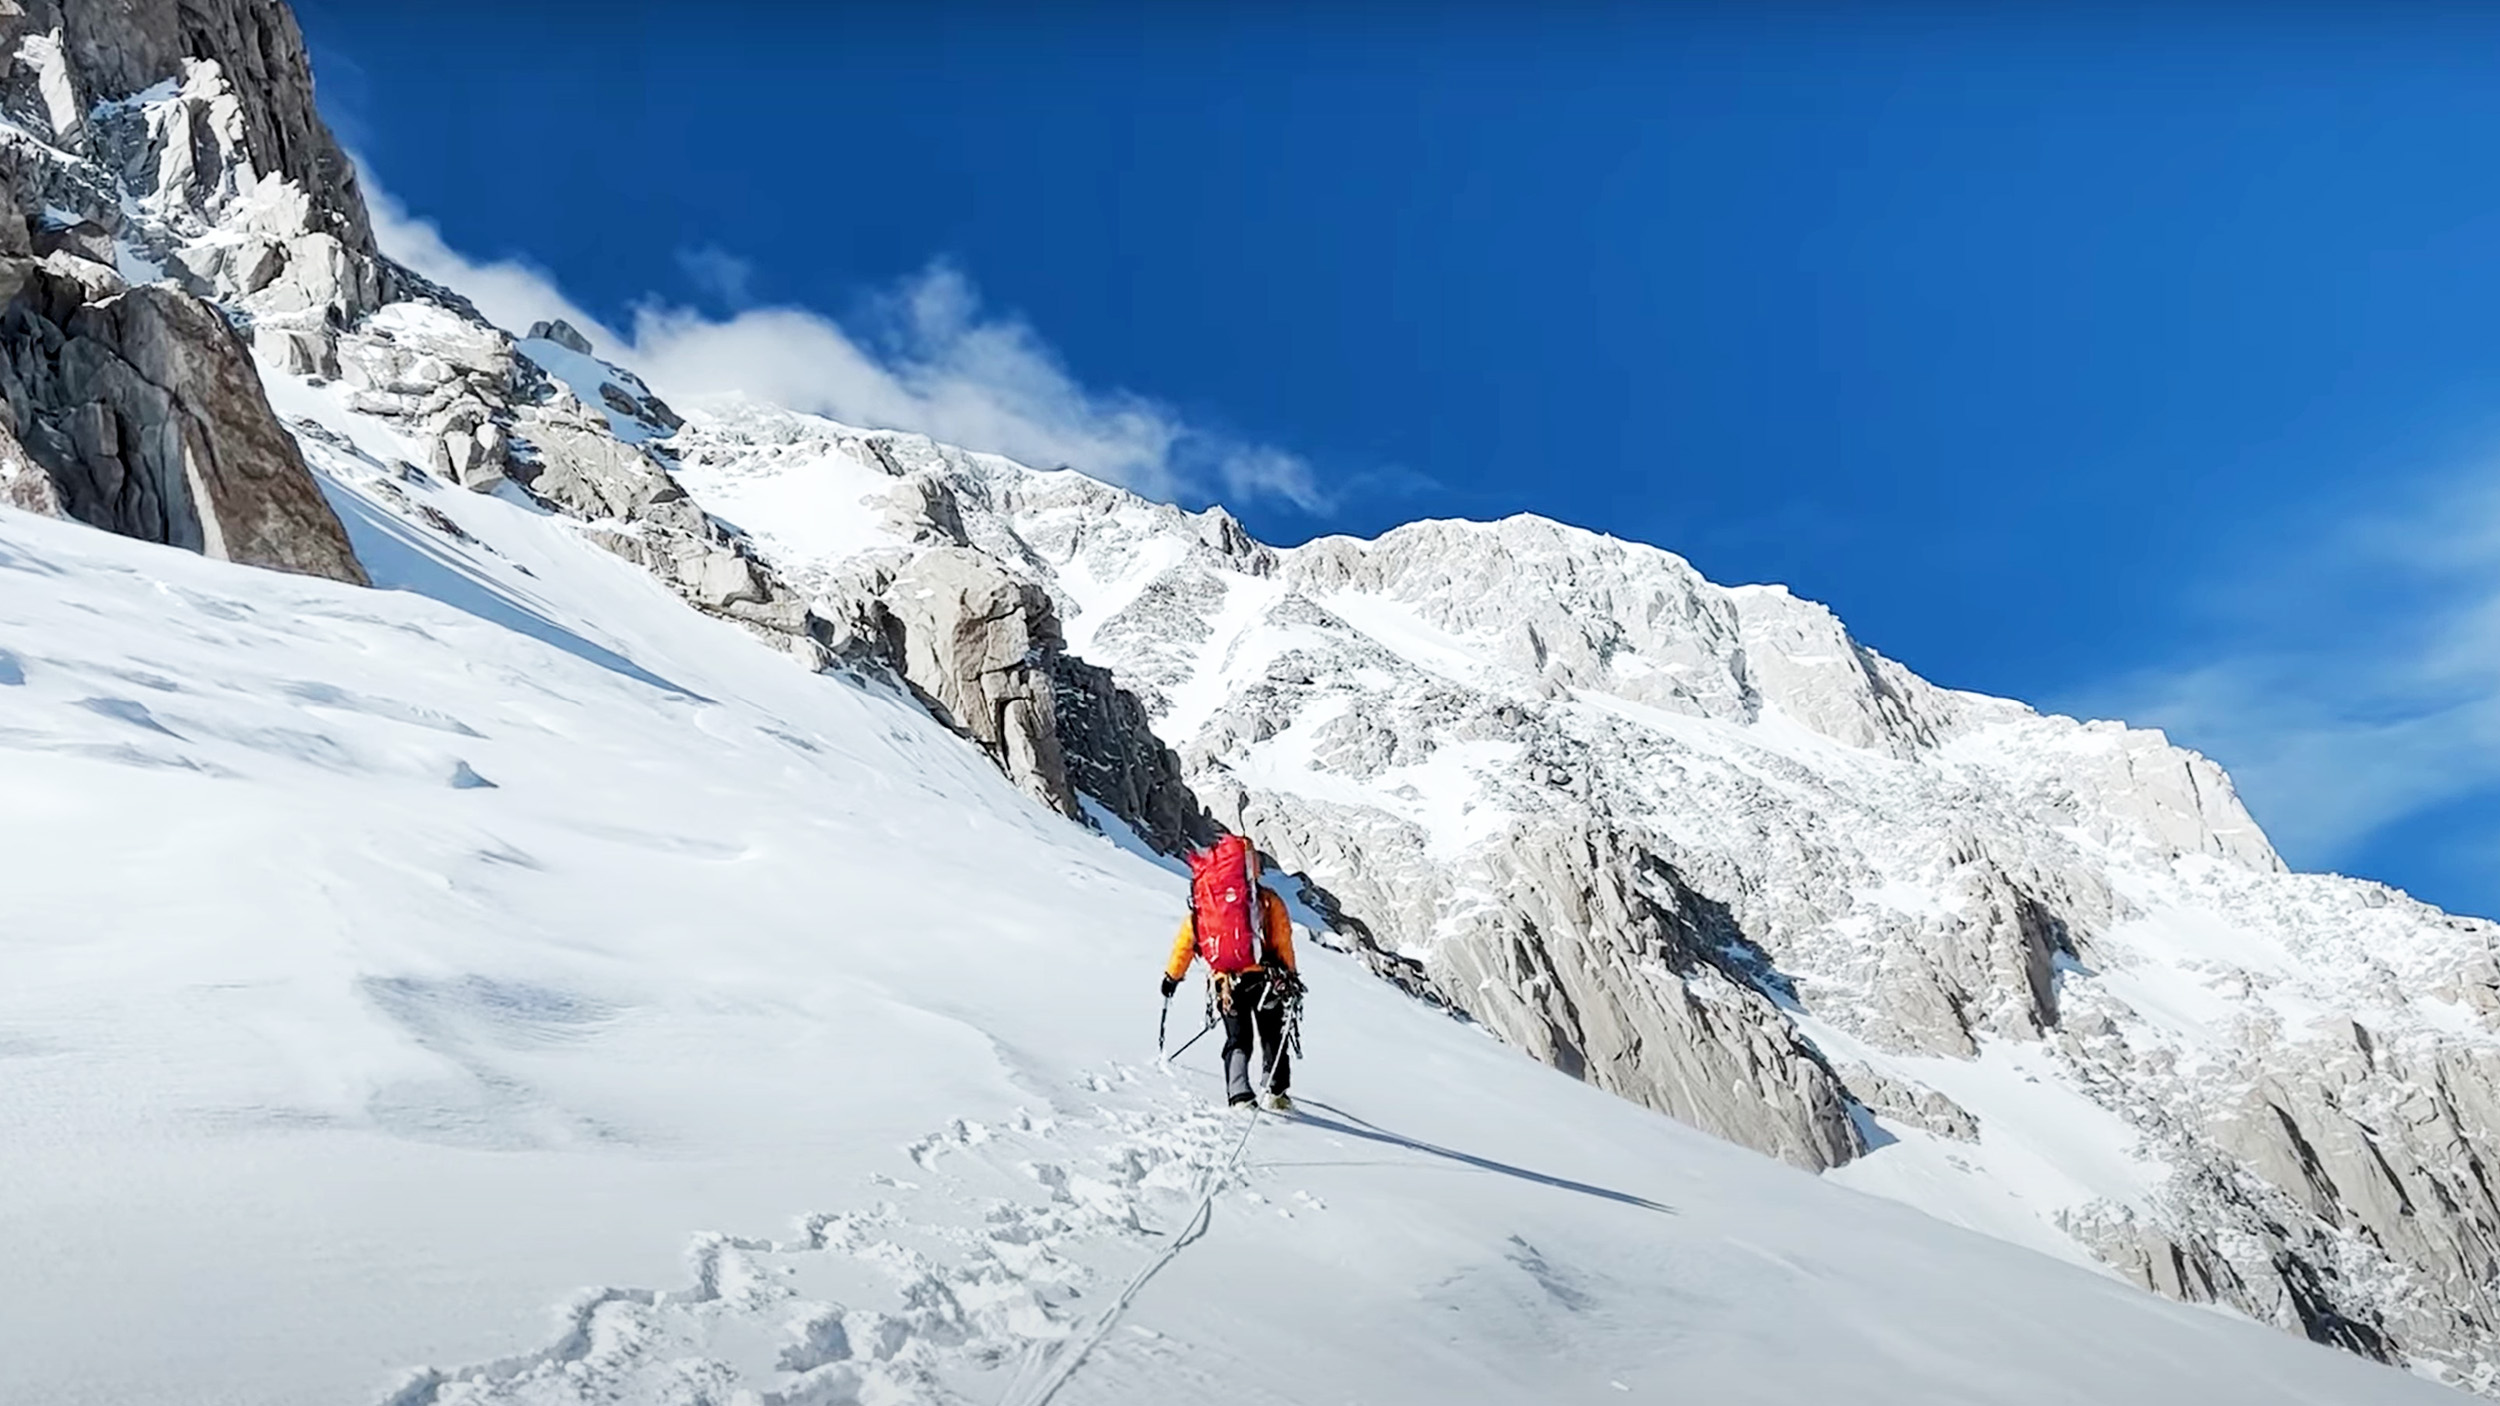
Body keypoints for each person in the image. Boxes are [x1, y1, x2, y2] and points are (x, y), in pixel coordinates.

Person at [1162, 834, 1300, 1111]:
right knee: (1272, 1033)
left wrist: (1171, 977)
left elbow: (1186, 943)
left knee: (1238, 1038)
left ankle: (1239, 1094)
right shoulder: (1267, 902)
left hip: (1225, 982)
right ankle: (1276, 1092)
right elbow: (1282, 941)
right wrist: (1291, 977)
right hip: (1265, 980)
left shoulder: (1206, 905)